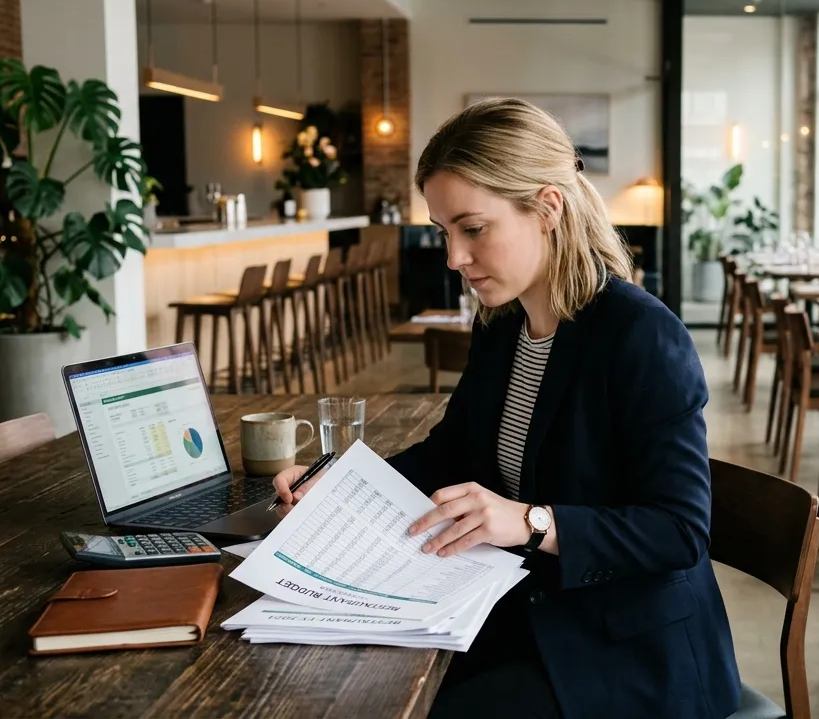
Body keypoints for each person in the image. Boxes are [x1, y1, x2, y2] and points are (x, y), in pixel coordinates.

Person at [271, 98, 740, 719]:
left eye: (473, 229)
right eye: (444, 231)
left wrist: (532, 522)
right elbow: (450, 452)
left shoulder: (641, 335)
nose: (453, 258)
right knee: (346, 683)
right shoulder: (502, 325)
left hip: (630, 651)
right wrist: (345, 483)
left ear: (547, 208)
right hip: (529, 608)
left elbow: (678, 531)